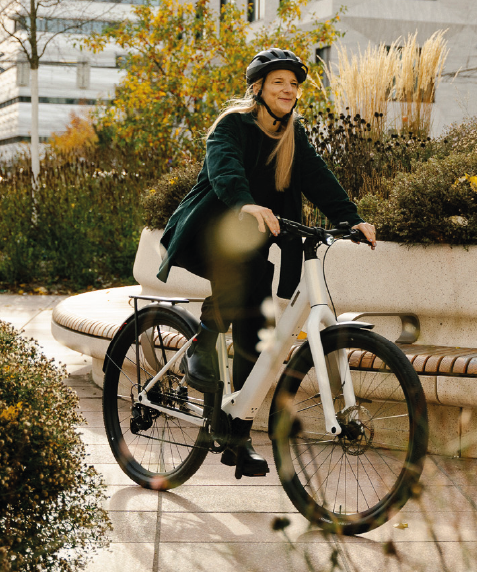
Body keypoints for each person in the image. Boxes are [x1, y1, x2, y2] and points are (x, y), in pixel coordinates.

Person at [155, 48, 377, 477]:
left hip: (255, 238)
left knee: (256, 333)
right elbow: (225, 170)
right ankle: (202, 343)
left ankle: (235, 436)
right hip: (213, 226)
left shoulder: (293, 135)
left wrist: (352, 218)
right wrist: (245, 204)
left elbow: (319, 178)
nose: (289, 90)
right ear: (257, 88)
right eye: (279, 82)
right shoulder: (231, 125)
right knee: (249, 273)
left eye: (294, 85)